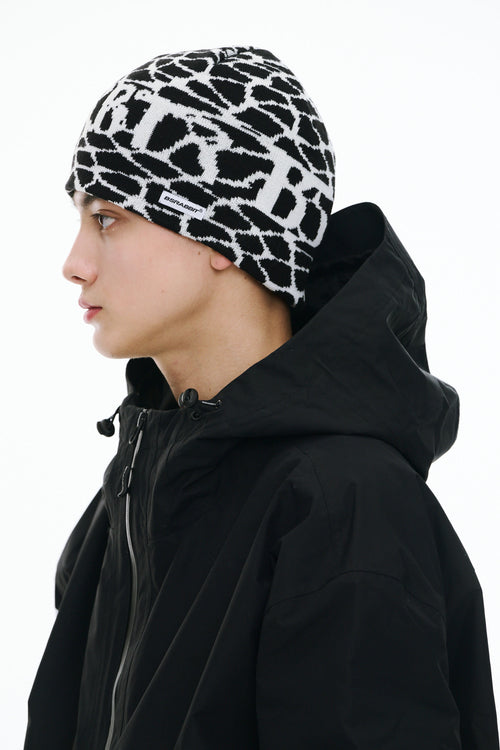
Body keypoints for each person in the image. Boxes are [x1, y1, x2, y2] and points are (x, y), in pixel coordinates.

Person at [24, 45, 499, 750]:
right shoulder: (127, 500)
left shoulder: (344, 506)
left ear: (224, 231)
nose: (74, 263)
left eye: (109, 216)